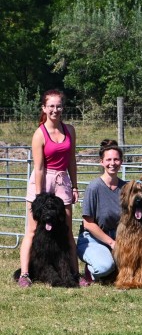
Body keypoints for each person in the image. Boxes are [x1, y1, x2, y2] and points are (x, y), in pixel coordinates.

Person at [19, 89, 83, 287]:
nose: (55, 110)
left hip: (62, 179)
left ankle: (75, 274)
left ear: (62, 107)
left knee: (66, 230)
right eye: (51, 106)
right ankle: (25, 274)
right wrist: (40, 198)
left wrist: (74, 185)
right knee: (32, 231)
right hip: (43, 179)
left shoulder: (70, 130)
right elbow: (38, 168)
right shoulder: (39, 134)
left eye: (58, 106)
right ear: (44, 108)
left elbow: (71, 160)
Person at [76, 139, 142, 284]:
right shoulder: (94, 187)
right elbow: (88, 224)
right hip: (94, 238)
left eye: (116, 159)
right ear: (101, 162)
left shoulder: (127, 188)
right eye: (108, 159)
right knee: (105, 267)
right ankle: (91, 271)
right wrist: (112, 243)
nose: (112, 163)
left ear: (121, 162)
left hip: (119, 235)